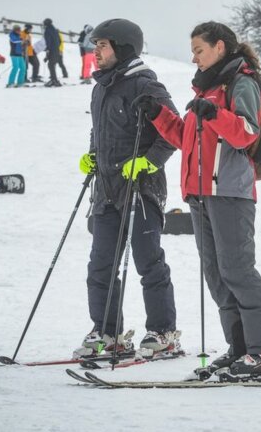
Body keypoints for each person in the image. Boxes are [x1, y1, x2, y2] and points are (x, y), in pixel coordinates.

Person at [136, 21, 261, 378]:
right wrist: (158, 114)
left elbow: (246, 132)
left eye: (199, 50)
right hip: (200, 193)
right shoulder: (205, 90)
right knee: (217, 274)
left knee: (238, 269)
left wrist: (215, 114)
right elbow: (186, 138)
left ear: (219, 47)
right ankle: (241, 347)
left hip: (230, 191)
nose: (194, 58)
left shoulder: (242, 83)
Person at [74, 18, 179, 358]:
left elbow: (173, 133)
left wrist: (149, 162)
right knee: (100, 266)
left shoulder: (145, 85)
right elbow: (100, 131)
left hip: (141, 190)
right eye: (95, 45)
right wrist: (93, 155)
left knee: (149, 263)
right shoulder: (100, 87)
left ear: (122, 48)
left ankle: (163, 332)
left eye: (102, 45)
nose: (96, 51)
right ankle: (108, 334)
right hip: (107, 191)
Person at [42, 18, 62, 87]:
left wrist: (48, 49)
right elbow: (59, 41)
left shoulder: (47, 31)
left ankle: (54, 80)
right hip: (56, 49)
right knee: (52, 64)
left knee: (50, 65)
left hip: (52, 50)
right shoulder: (55, 30)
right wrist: (56, 47)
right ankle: (54, 79)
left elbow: (48, 41)